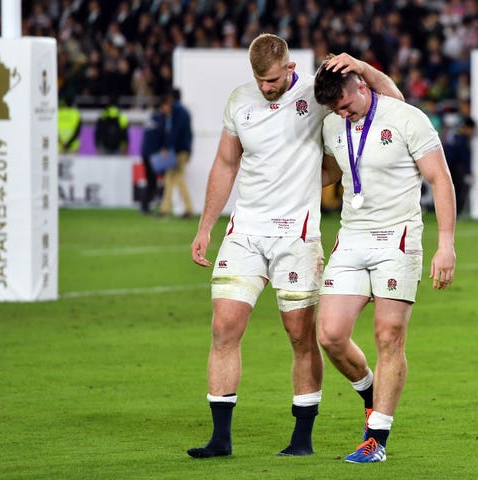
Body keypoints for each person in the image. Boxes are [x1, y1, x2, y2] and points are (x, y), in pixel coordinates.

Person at [188, 33, 404, 459]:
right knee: (223, 329)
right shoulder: (239, 101)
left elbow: (390, 100)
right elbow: (226, 163)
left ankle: (302, 438)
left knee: (301, 336)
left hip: (296, 234)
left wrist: (359, 66)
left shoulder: (314, 93)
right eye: (259, 79)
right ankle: (220, 438)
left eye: (272, 79)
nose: (266, 87)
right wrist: (205, 226)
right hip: (245, 230)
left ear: (289, 68)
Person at [313, 57, 457, 463]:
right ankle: (371, 394)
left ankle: (376, 439)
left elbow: (440, 178)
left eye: (346, 105)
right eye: (336, 110)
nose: (343, 114)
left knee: (389, 335)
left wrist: (446, 245)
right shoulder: (332, 124)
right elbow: (327, 173)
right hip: (352, 237)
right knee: (331, 336)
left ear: (361, 86)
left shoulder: (405, 117)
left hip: (398, 238)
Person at [139, 94, 181, 215]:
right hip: (154, 155)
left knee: (152, 180)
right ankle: (150, 204)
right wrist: (165, 148)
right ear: (163, 106)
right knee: (157, 180)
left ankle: (148, 205)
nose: (170, 109)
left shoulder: (152, 117)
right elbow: (163, 136)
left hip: (146, 153)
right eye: (168, 106)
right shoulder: (163, 119)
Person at [158, 88, 194, 218]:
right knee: (171, 178)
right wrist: (189, 151)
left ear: (171, 99)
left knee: (176, 179)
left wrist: (167, 147)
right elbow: (189, 133)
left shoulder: (177, 112)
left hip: (178, 151)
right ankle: (166, 209)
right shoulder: (185, 112)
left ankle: (185, 209)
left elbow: (175, 131)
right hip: (183, 150)